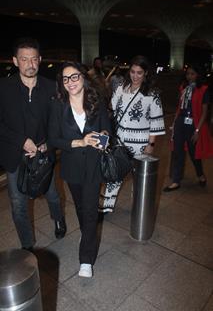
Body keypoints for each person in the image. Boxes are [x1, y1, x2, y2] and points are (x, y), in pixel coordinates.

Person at [0, 37, 67, 251]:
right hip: (14, 154)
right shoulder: (3, 87)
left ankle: (58, 219)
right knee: (18, 204)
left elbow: (59, 121)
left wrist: (47, 142)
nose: (30, 64)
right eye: (24, 59)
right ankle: (27, 246)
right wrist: (22, 141)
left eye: (34, 59)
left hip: (43, 152)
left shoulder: (51, 87)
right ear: (15, 61)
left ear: (40, 60)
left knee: (52, 194)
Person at [48, 61, 111, 277]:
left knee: (91, 210)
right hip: (72, 167)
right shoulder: (58, 106)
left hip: (94, 165)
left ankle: (86, 260)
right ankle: (88, 234)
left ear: (83, 77)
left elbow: (107, 129)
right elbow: (54, 139)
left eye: (74, 76)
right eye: (65, 79)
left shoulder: (97, 101)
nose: (70, 82)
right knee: (82, 209)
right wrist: (80, 142)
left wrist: (102, 138)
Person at [99, 55, 165, 213]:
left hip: (141, 143)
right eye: (133, 72)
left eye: (139, 73)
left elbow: (155, 122)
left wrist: (151, 145)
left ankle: (139, 207)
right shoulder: (120, 88)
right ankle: (107, 207)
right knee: (115, 173)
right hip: (120, 140)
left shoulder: (152, 94)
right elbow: (112, 110)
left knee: (139, 178)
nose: (135, 76)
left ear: (146, 73)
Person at [164, 64, 213, 192]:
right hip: (181, 121)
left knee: (193, 153)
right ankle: (176, 181)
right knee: (178, 151)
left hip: (194, 124)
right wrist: (174, 123)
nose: (190, 76)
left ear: (198, 75)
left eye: (192, 74)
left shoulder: (203, 89)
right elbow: (179, 107)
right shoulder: (183, 87)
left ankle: (200, 175)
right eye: (188, 74)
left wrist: (197, 130)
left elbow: (204, 112)